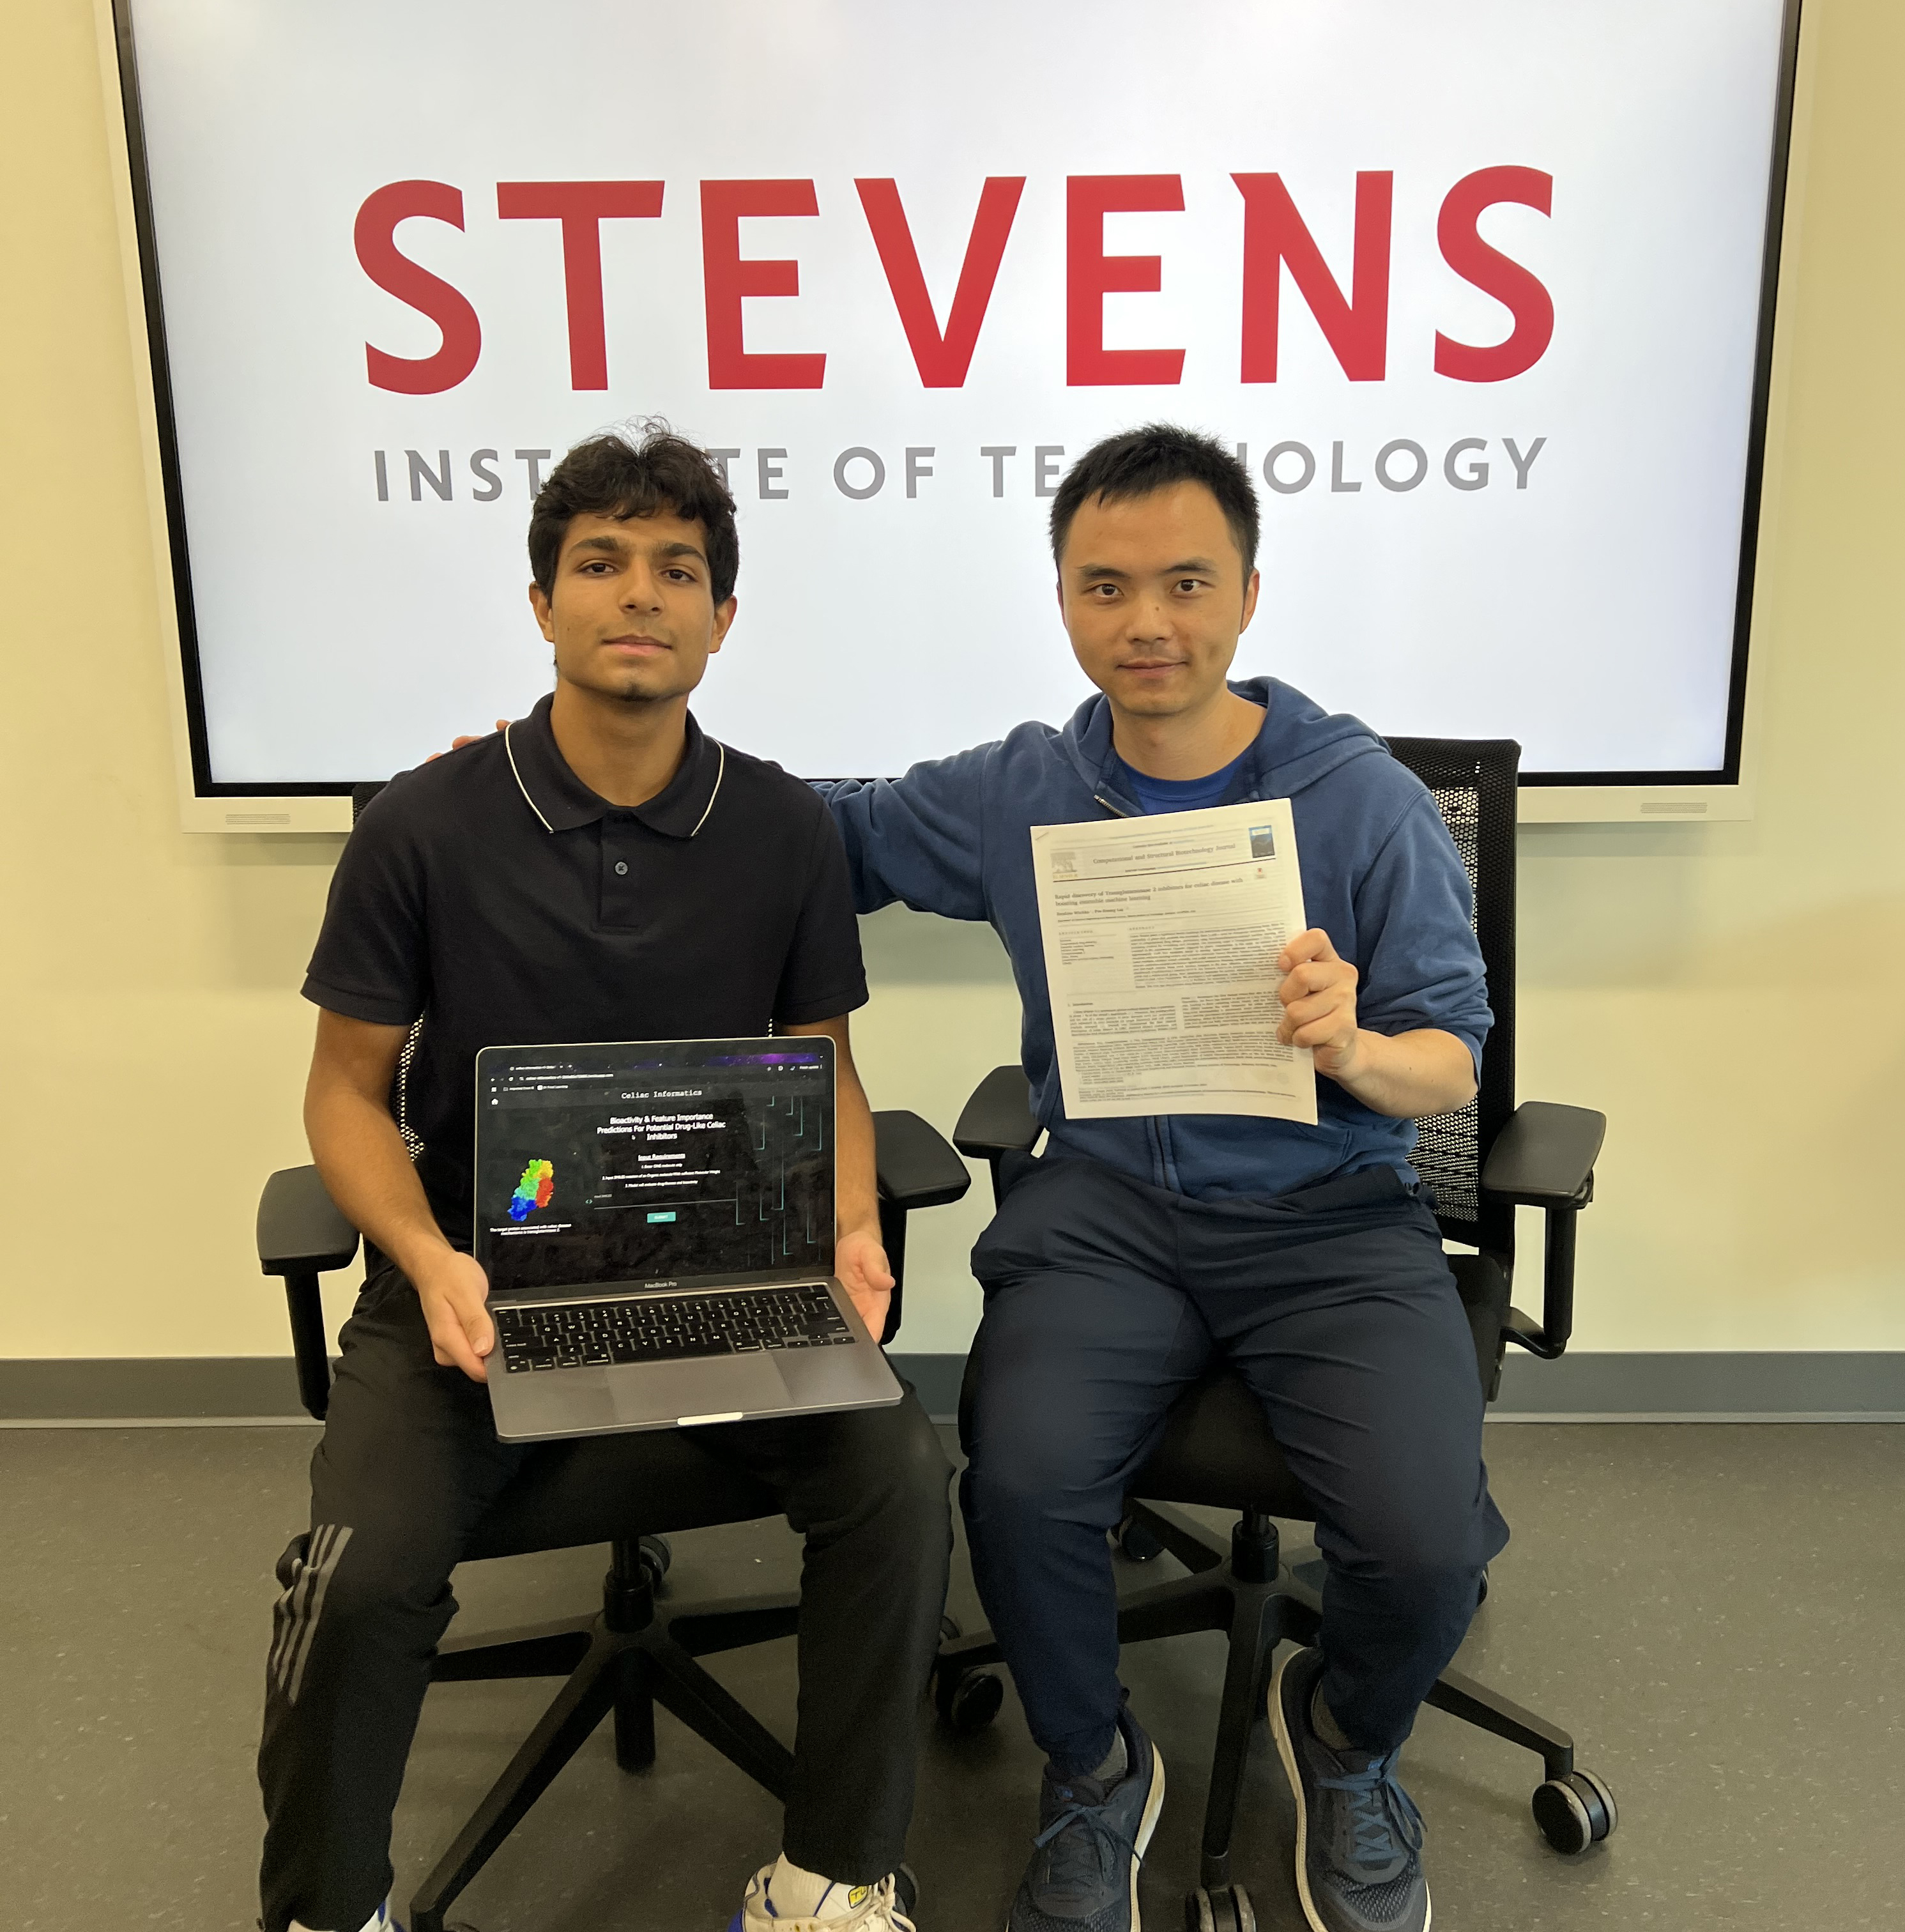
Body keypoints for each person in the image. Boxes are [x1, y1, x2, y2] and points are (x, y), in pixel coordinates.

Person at [257, 424, 952, 1932]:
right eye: (601, 563)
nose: (640, 594)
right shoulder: (419, 827)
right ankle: (330, 1908)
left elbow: (817, 1057)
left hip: (726, 1278)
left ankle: (830, 1879)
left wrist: (843, 1222)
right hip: (473, 1287)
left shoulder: (780, 827)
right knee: (359, 1575)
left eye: (677, 569)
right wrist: (428, 1257)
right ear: (543, 604)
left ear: (721, 617)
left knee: (901, 1475)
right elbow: (344, 1094)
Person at [817, 424, 1504, 1932]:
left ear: (1250, 591)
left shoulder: (1361, 796)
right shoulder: (1024, 789)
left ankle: (1343, 1739)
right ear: (1062, 598)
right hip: (1110, 1214)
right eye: (1106, 586)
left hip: (1332, 1215)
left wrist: (1356, 1047)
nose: (1149, 622)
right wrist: (577, 768)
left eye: (1188, 584)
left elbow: (1453, 1060)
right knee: (1022, 1480)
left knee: (1424, 1534)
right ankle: (1091, 1766)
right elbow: (820, 828)